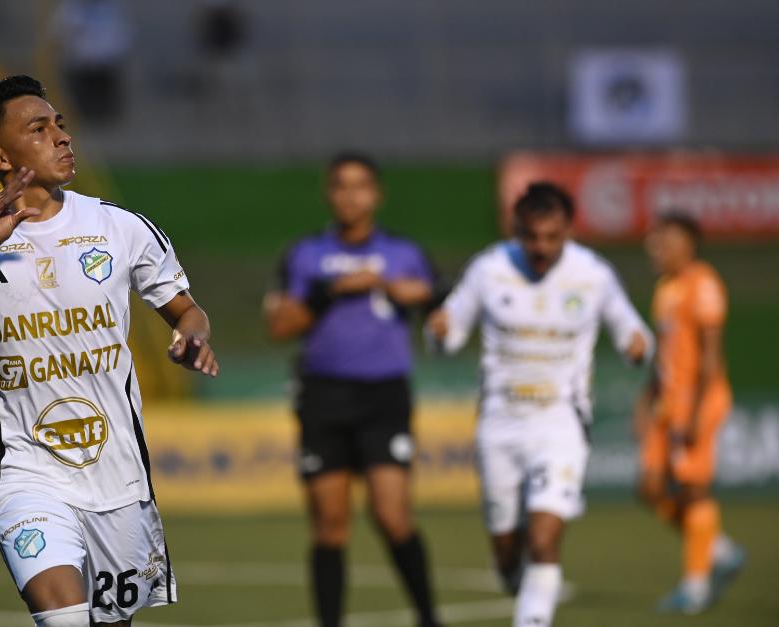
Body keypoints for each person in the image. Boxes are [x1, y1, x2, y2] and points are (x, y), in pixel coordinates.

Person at [0, 75, 218, 627]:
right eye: (39, 129)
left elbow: (187, 309)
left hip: (116, 471)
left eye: (60, 125)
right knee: (64, 616)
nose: (62, 137)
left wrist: (193, 334)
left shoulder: (120, 227)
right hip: (21, 467)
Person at [426, 182, 652, 627]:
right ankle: (514, 576)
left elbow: (632, 332)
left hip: (560, 421)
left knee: (545, 539)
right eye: (532, 237)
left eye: (552, 237)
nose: (541, 248)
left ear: (569, 229)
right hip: (499, 420)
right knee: (508, 549)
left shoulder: (593, 274)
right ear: (517, 229)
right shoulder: (489, 269)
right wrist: (438, 331)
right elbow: (449, 335)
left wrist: (638, 346)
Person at [263, 152, 442, 627]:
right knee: (330, 524)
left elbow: (446, 313)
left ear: (377, 194)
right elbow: (280, 325)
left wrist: (427, 296)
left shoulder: (405, 254)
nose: (350, 195)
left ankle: (428, 616)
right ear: (328, 193)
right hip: (323, 397)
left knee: (393, 516)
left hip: (384, 396)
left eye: (360, 185)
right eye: (341, 185)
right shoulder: (305, 255)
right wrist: (332, 291)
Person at [636, 212, 745, 614]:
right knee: (648, 488)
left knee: (692, 490)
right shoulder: (666, 288)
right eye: (657, 240)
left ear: (689, 245)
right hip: (667, 404)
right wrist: (645, 401)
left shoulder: (704, 284)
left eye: (667, 241)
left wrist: (697, 414)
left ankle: (695, 586)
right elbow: (663, 356)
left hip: (695, 403)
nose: (658, 248)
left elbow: (710, 356)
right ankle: (719, 548)